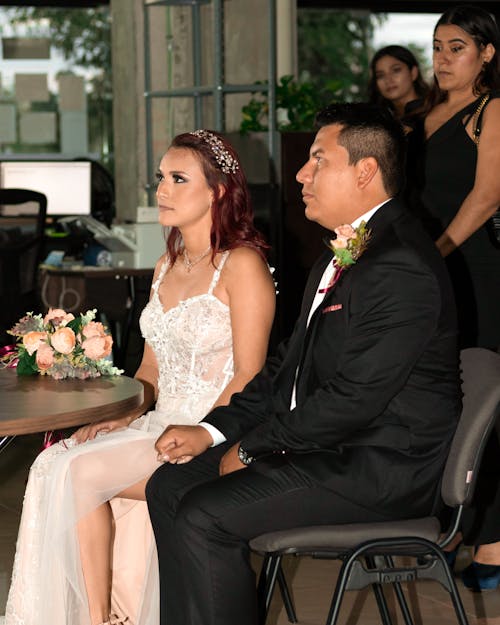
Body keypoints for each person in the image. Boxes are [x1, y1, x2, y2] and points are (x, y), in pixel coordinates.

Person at [145, 102, 461, 625]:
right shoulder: (341, 253)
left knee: (203, 512)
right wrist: (212, 431)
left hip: (378, 466)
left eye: (318, 160)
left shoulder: (400, 263)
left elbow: (354, 399)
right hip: (329, 447)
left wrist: (253, 448)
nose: (300, 173)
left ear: (365, 171)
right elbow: (283, 372)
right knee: (169, 485)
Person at [4, 130, 276, 625]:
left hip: (212, 435)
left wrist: (204, 433)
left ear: (217, 191)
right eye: (160, 179)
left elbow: (250, 376)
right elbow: (149, 371)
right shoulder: (164, 266)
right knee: (55, 459)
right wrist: (120, 418)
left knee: (76, 473)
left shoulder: (243, 266)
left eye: (178, 178)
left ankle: (97, 618)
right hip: (156, 424)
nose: (162, 191)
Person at [406, 5, 500, 591]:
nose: (441, 58)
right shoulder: (425, 111)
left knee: (485, 400)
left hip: (477, 270)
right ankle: (458, 524)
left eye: (457, 47)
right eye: (437, 46)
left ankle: (493, 544)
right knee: (445, 397)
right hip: (429, 272)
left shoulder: (492, 110)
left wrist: (434, 251)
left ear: (488, 53)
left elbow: (488, 195)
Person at [368, 45, 429, 122]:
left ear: (413, 73)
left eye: (396, 70)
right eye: (380, 75)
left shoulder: (436, 112)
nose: (388, 80)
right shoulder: (379, 122)